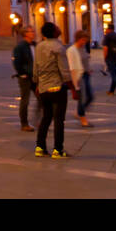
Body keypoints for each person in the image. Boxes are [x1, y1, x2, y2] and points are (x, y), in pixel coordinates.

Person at [33, 22, 73, 158]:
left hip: (43, 87)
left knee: (46, 117)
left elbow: (35, 67)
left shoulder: (39, 47)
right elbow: (64, 70)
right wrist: (73, 87)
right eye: (57, 27)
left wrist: (37, 83)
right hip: (57, 86)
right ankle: (58, 149)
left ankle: (40, 147)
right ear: (54, 32)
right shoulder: (58, 47)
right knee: (59, 119)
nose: (59, 28)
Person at [67, 29, 94, 128]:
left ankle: (79, 112)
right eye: (83, 40)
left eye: (85, 40)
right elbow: (72, 67)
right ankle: (83, 119)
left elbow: (85, 60)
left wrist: (89, 69)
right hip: (78, 76)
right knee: (82, 98)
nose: (84, 42)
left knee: (90, 96)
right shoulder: (72, 50)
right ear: (77, 39)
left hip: (86, 74)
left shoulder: (83, 48)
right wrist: (75, 82)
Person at [12, 24, 36, 131]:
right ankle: (24, 123)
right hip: (25, 77)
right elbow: (16, 61)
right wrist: (22, 73)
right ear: (25, 34)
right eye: (31, 31)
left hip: (35, 76)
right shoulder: (20, 46)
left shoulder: (35, 45)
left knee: (42, 99)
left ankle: (38, 120)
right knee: (25, 100)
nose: (33, 33)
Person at [102, 26, 116, 96]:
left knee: (113, 74)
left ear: (109, 29)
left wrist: (105, 57)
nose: (105, 30)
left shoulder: (107, 36)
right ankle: (111, 91)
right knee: (114, 74)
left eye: (106, 29)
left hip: (110, 57)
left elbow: (105, 48)